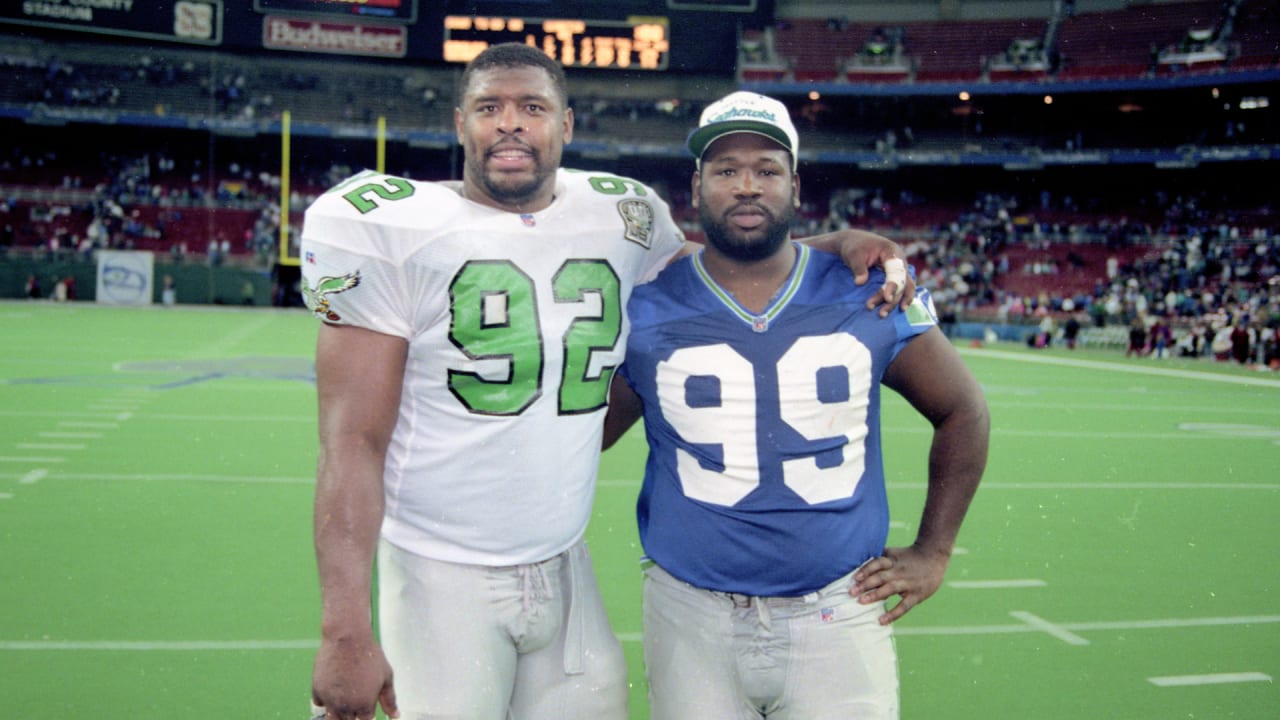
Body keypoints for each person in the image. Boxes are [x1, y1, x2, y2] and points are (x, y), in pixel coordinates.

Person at [301, 46, 912, 720]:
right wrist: (344, 630)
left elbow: (718, 263)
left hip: (564, 565)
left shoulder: (621, 214)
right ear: (459, 124)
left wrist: (839, 241)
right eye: (489, 108)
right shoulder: (389, 227)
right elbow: (351, 442)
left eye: (531, 108)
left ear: (565, 123)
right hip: (437, 570)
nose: (509, 124)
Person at [602, 91, 990, 719]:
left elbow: (964, 410)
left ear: (796, 185)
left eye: (767, 169)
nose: (747, 186)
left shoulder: (866, 288)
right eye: (727, 171)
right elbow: (586, 434)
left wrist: (933, 551)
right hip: (688, 614)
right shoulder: (645, 305)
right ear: (697, 186)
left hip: (838, 612)